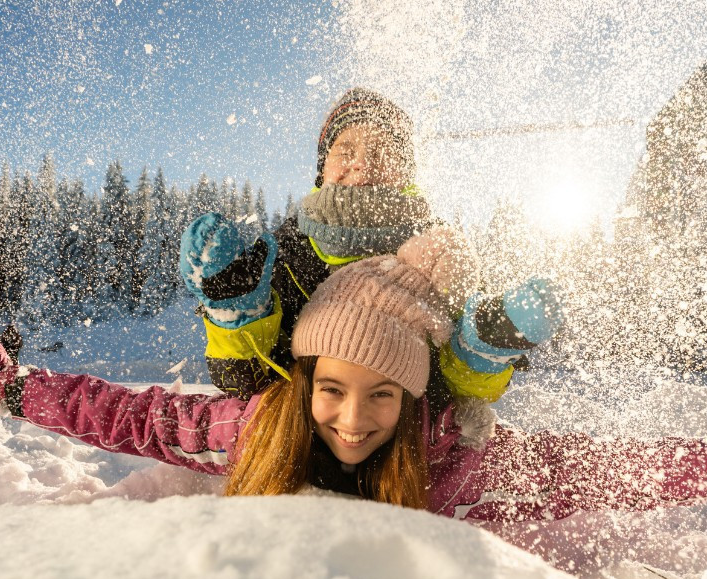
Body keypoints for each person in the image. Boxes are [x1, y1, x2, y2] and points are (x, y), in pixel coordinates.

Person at [0, 252, 707, 522]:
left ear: (414, 401)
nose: (351, 418)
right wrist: (13, 390)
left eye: (382, 395)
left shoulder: (458, 458)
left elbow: (597, 472)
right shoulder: (259, 427)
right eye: (332, 387)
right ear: (306, 380)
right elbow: (135, 417)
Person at [180, 87, 562, 413]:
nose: (362, 164)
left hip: (407, 449)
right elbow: (244, 384)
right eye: (345, 150)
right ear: (323, 169)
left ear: (406, 173)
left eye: (382, 152)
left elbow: (460, 400)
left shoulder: (440, 254)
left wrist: (483, 350)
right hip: (297, 442)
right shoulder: (284, 252)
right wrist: (236, 316)